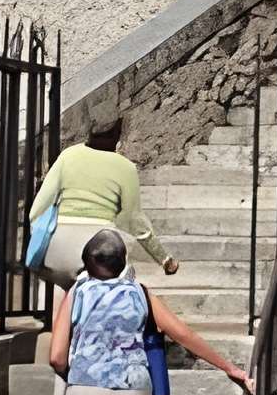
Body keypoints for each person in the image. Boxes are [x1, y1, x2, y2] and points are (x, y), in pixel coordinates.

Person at [48, 228, 249, 395]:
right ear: (123, 261)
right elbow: (183, 334)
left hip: (88, 386)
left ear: (86, 262)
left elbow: (57, 357)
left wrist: (77, 371)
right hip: (136, 388)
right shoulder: (140, 292)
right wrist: (230, 368)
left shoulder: (78, 292)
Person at [28, 114, 179, 290]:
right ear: (118, 135)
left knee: (67, 292)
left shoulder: (67, 156)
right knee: (126, 286)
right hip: (98, 251)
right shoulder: (125, 167)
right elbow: (133, 220)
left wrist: (40, 236)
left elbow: (37, 210)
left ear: (89, 133)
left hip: (54, 252)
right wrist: (164, 258)